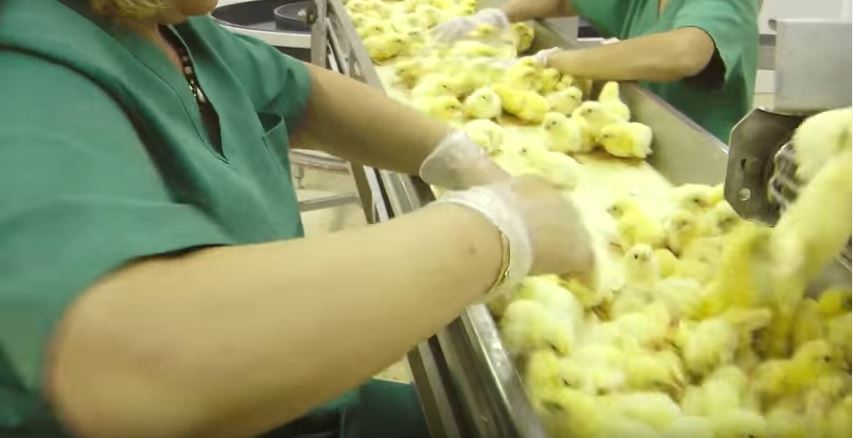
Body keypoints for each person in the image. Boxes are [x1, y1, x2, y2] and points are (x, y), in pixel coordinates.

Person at [0, 0, 595, 437]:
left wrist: (461, 160)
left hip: (299, 404)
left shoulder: (172, 27)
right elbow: (120, 365)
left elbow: (304, 95)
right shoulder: (26, 66)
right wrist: (492, 231)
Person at [435, 0, 760, 142]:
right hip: (635, 134)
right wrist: (498, 16)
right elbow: (564, 0)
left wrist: (558, 61)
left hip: (696, 164)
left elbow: (684, 52)